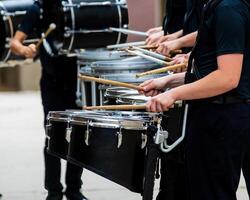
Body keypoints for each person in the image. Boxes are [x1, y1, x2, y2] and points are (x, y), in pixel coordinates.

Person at [140, 0, 250, 199]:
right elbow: (209, 71)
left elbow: (228, 78)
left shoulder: (229, 8)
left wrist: (173, 94)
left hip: (221, 119)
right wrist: (168, 81)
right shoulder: (218, 6)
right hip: (210, 115)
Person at [10, 1, 87, 200]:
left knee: (78, 135)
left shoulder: (77, 7)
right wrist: (24, 49)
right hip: (51, 83)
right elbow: (15, 43)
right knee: (54, 135)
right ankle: (53, 191)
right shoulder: (39, 9)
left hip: (77, 81)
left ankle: (74, 189)